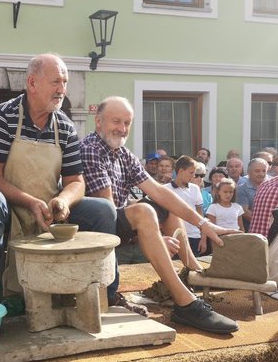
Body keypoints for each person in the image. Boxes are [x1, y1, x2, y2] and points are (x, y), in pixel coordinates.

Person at [81, 96, 239, 334]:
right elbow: (107, 210)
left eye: (127, 123)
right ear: (98, 121)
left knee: (162, 206)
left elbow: (158, 192)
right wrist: (148, 235)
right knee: (145, 211)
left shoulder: (122, 153)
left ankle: (193, 274)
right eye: (116, 121)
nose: (122, 129)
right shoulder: (91, 148)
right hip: (91, 227)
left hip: (113, 218)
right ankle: (185, 304)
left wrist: (203, 223)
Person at [0, 54, 117, 303]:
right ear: (32, 83)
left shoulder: (65, 127)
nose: (62, 89)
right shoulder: (1, 118)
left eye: (65, 82)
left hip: (49, 208)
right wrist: (30, 202)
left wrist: (62, 200)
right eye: (55, 82)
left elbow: (76, 181)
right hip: (9, 207)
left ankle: (106, 292)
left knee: (104, 209)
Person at [166, 156, 204, 255]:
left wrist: (203, 238)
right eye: (191, 173)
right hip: (174, 236)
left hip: (194, 236)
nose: (194, 176)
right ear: (181, 171)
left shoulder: (195, 188)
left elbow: (200, 215)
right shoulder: (165, 189)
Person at [236, 158, 268, 232]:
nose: (261, 174)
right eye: (257, 171)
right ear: (248, 172)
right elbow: (245, 212)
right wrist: (265, 223)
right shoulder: (241, 189)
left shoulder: (271, 186)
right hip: (251, 230)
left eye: (264, 171)